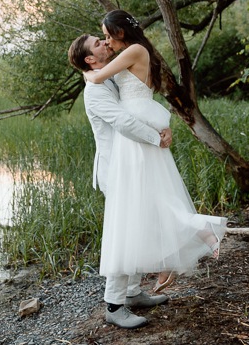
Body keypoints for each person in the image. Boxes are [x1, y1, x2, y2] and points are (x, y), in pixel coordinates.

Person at [83, 9, 226, 296]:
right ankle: (166, 262)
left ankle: (199, 231)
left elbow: (97, 79)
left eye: (107, 36)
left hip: (137, 126)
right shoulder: (139, 50)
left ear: (120, 33)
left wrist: (87, 72)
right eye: (101, 40)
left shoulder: (133, 50)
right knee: (153, 200)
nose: (106, 41)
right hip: (143, 119)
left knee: (150, 202)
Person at [68, 33, 172, 329]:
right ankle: (114, 305)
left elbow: (138, 102)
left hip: (133, 164)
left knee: (138, 225)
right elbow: (123, 122)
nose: (104, 42)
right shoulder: (95, 90)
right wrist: (156, 139)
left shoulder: (108, 75)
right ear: (89, 58)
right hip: (115, 168)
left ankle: (132, 292)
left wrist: (164, 128)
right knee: (123, 230)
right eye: (97, 43)